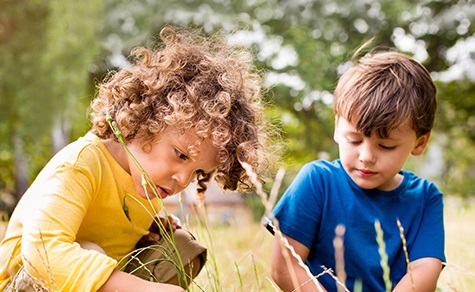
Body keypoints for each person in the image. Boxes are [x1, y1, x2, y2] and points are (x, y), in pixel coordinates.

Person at [0, 25, 273, 291]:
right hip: (24, 281)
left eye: (198, 173)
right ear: (144, 122)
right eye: (180, 155)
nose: (182, 180)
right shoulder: (80, 164)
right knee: (90, 252)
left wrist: (147, 233)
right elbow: (42, 252)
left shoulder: (146, 187)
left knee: (180, 245)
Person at [268, 49, 445, 291]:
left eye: (386, 146)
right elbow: (284, 266)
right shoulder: (317, 182)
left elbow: (425, 270)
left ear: (420, 143)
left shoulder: (425, 198)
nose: (366, 157)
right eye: (354, 140)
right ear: (337, 128)